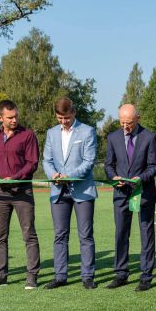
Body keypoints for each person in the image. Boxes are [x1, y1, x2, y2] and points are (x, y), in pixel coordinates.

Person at [0, 100, 41, 289]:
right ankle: (0, 275)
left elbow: (32, 162)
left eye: (16, 116)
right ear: (0, 118)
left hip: (22, 191)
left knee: (29, 235)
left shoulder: (28, 135)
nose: (14, 120)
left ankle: (32, 276)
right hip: (0, 193)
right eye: (10, 117)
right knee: (0, 236)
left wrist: (15, 177)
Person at [42, 97, 98, 289]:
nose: (63, 121)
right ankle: (60, 275)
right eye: (60, 118)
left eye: (66, 117)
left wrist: (68, 176)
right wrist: (53, 174)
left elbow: (89, 162)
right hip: (58, 191)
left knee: (85, 235)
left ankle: (88, 276)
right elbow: (46, 160)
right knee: (60, 235)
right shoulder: (51, 133)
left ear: (73, 112)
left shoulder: (87, 131)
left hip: (82, 190)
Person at [104, 104, 156, 291]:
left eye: (128, 123)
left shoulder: (150, 137)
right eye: (122, 123)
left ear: (138, 118)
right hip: (120, 193)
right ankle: (121, 273)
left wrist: (140, 179)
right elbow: (108, 165)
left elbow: (154, 166)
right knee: (121, 233)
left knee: (146, 234)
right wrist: (113, 177)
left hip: (142, 193)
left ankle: (146, 275)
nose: (125, 127)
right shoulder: (112, 137)